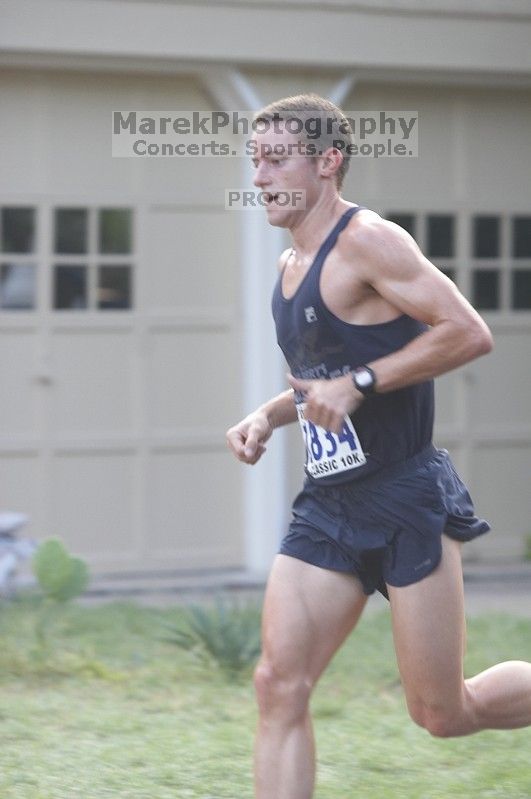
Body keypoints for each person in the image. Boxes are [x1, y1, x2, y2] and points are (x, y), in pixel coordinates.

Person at [225, 94, 531, 799]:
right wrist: (271, 415)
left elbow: (466, 330)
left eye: (276, 159)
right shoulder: (286, 266)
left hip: (402, 495)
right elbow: (319, 384)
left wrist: (363, 380)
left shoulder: (369, 241)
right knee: (277, 683)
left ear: (326, 161)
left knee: (442, 712)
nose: (260, 176)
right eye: (254, 161)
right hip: (327, 506)